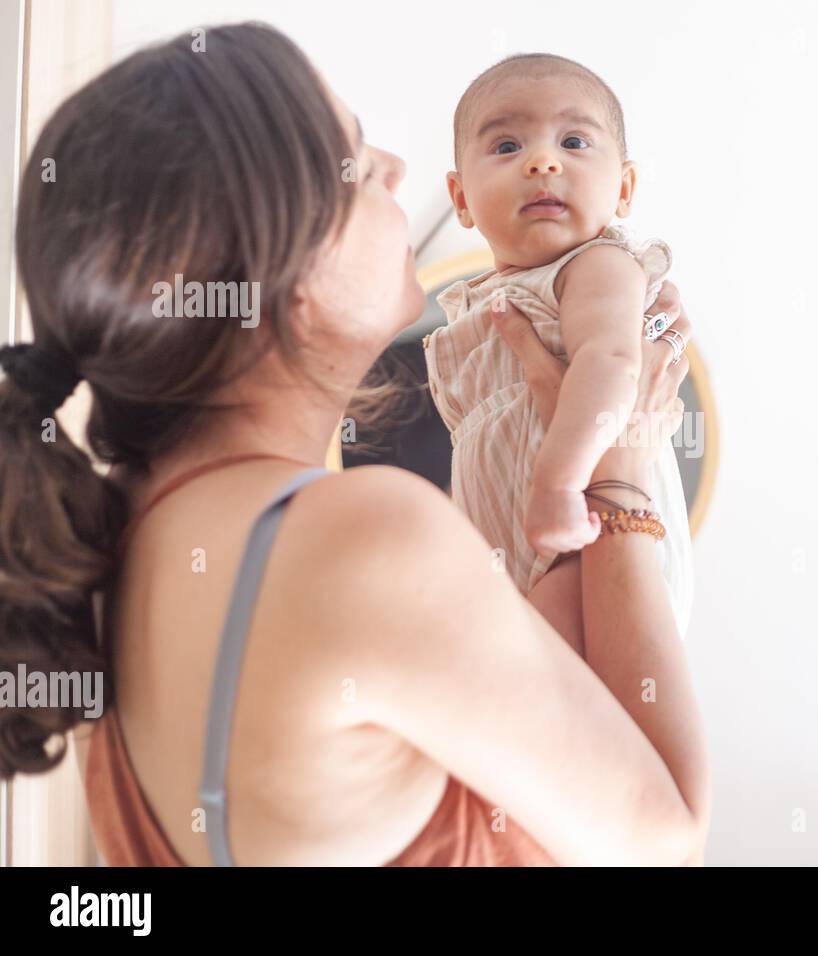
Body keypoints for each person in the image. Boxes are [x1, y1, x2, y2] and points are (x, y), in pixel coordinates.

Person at [0, 21, 709, 866]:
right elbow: (664, 842)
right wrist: (617, 475)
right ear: (267, 263)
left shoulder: (117, 555)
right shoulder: (363, 538)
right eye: (357, 162)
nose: (397, 173)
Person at [426, 53, 693, 651]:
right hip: (525, 552)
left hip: (591, 535)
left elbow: (612, 364)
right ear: (461, 197)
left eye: (574, 141)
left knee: (543, 684)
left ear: (623, 189)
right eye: (505, 147)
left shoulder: (595, 264)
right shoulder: (480, 307)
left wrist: (556, 483)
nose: (543, 161)